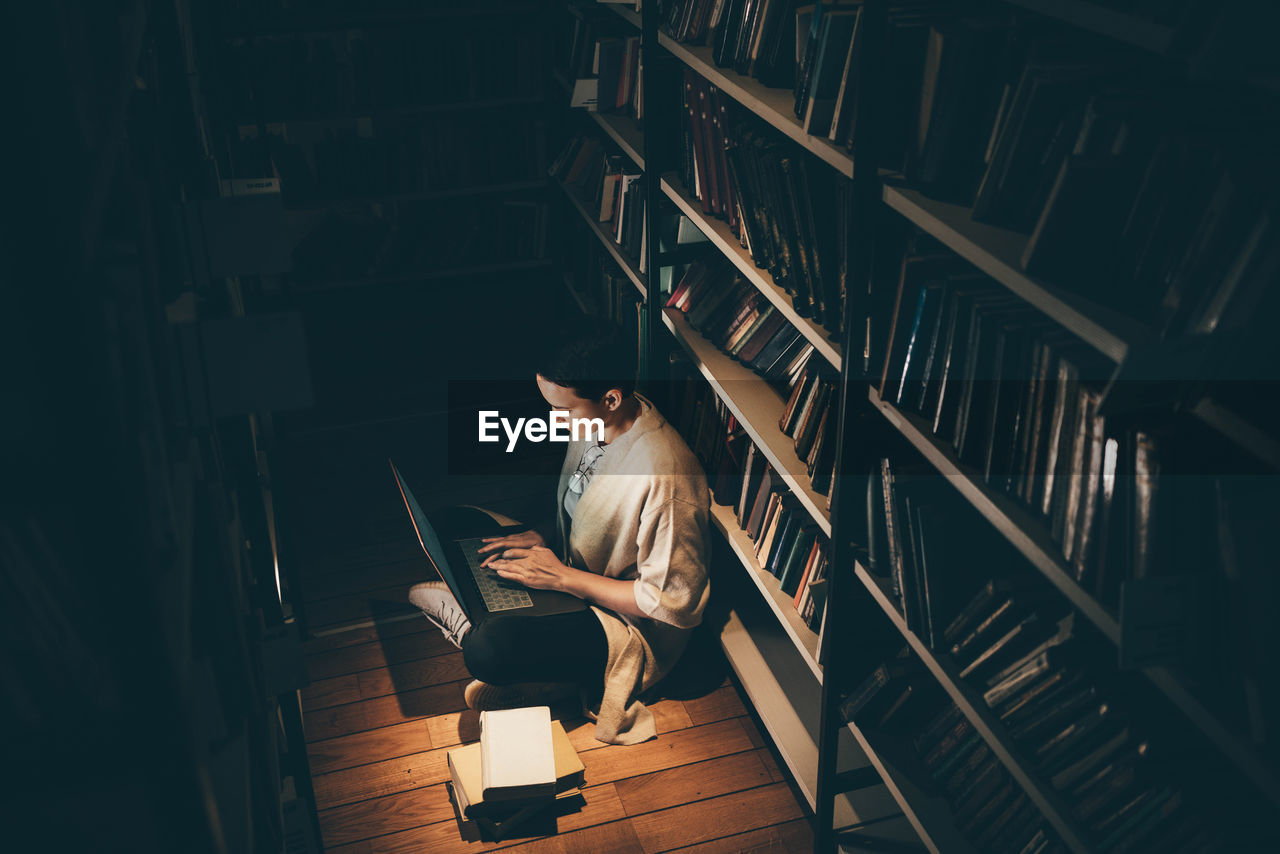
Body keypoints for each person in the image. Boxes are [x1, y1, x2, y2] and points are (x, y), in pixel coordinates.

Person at [408, 321, 710, 745]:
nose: (554, 419)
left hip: (622, 623)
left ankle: (520, 663)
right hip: (569, 570)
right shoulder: (598, 421)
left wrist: (564, 579)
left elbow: (671, 603)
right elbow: (584, 502)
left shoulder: (666, 477)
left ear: (611, 399)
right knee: (451, 524)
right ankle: (521, 650)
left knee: (489, 650)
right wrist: (543, 534)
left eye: (562, 410)